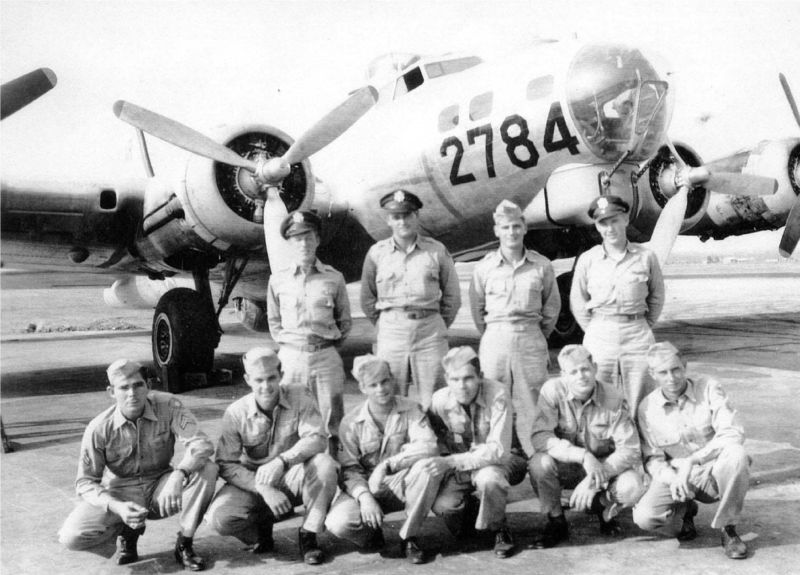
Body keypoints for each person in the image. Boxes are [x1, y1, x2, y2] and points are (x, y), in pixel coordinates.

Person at [58, 359, 217, 570]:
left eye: (138, 385)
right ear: (111, 392)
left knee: (207, 469)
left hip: (161, 486)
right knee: (71, 536)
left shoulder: (168, 405)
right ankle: (127, 532)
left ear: (148, 386)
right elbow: (85, 482)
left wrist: (179, 474)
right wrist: (117, 507)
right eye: (124, 387)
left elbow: (201, 444)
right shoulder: (98, 428)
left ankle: (184, 543)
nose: (132, 393)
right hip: (121, 492)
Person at [205, 347, 338, 565]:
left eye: (271, 378)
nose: (265, 386)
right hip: (254, 482)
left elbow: (317, 438)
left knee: (324, 465)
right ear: (247, 380)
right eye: (259, 380)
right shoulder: (236, 413)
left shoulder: (300, 395)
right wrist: (263, 489)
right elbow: (225, 463)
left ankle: (308, 534)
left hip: (291, 474)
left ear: (281, 375)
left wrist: (283, 461)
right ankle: (261, 532)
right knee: (219, 518)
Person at [633, 342, 750, 560]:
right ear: (652, 374)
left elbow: (733, 432)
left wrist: (693, 460)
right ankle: (684, 512)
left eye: (676, 369)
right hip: (678, 478)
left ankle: (728, 528)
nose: (671, 378)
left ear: (684, 365)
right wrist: (673, 479)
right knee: (645, 517)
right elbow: (652, 458)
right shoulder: (647, 408)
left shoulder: (708, 388)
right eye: (663, 372)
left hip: (712, 471)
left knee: (737, 455)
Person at [325, 355, 441, 564]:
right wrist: (364, 497)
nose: (381, 389)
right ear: (363, 388)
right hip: (367, 486)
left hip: (401, 482)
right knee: (338, 523)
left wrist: (387, 465)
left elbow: (429, 446)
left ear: (393, 379)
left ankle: (409, 537)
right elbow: (348, 469)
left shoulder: (411, 409)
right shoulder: (350, 423)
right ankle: (371, 533)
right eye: (373, 385)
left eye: (385, 381)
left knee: (426, 468)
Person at [469, 199, 560, 456]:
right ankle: (492, 459)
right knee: (491, 400)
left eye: (516, 226)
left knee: (534, 401)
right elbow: (477, 309)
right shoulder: (484, 267)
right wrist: (495, 333)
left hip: (530, 337)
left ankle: (538, 460)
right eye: (506, 227)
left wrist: (534, 334)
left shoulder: (541, 266)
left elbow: (551, 308)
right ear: (496, 231)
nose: (512, 232)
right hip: (495, 339)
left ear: (525, 227)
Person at [530, 345, 645, 548]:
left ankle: (601, 506)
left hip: (603, 468)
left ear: (595, 368)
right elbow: (540, 436)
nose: (581, 376)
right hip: (568, 466)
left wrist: (593, 480)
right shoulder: (552, 391)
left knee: (633, 485)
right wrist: (582, 455)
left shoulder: (614, 397)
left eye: (585, 369)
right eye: (573, 372)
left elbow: (630, 449)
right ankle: (556, 521)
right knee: (539, 463)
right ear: (563, 375)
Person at [360, 189, 461, 410]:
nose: (402, 221)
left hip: (430, 335)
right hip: (392, 334)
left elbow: (452, 296)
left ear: (417, 216)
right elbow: (367, 298)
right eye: (396, 217)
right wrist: (386, 323)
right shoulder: (376, 253)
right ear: (388, 220)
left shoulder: (436, 251)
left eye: (407, 215)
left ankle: (435, 433)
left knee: (437, 400)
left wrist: (437, 324)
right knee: (388, 396)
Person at [425, 346, 528, 558]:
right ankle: (477, 509)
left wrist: (451, 461)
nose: (462, 386)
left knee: (489, 479)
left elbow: (499, 451)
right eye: (455, 379)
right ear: (446, 379)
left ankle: (499, 528)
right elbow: (432, 438)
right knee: (444, 507)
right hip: (462, 465)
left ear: (480, 376)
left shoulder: (498, 394)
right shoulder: (439, 400)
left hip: (503, 461)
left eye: (468, 378)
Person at [570, 194, 665, 415]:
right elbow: (578, 300)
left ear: (625, 219)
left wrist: (641, 324)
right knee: (599, 398)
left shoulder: (646, 257)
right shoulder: (588, 260)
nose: (610, 228)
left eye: (614, 220)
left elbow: (657, 296)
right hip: (600, 334)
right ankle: (604, 437)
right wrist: (595, 328)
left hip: (638, 335)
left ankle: (642, 437)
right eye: (603, 223)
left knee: (643, 400)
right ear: (597, 226)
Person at [267, 210, 351, 451]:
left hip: (325, 357)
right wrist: (292, 346)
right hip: (291, 358)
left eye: (308, 237)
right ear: (289, 242)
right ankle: (290, 467)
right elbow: (274, 321)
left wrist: (325, 347)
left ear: (317, 240)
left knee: (332, 419)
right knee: (289, 419)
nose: (303, 244)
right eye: (297, 238)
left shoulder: (334, 278)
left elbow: (344, 322)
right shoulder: (277, 280)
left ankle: (333, 465)